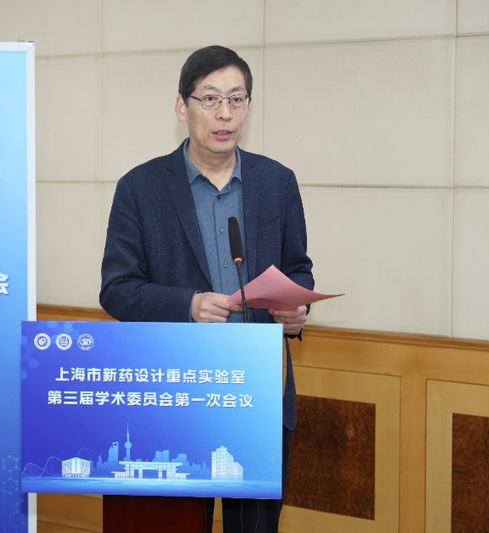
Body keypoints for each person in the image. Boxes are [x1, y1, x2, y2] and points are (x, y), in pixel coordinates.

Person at [100, 45, 314, 532]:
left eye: (237, 99)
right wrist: (188, 304)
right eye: (211, 98)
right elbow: (117, 289)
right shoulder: (140, 188)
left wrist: (297, 310)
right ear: (183, 106)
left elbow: (298, 271)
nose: (225, 113)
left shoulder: (276, 182)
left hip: (257, 390)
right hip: (174, 394)